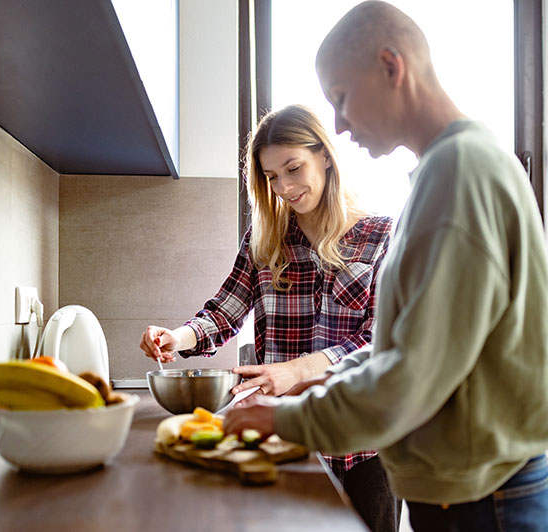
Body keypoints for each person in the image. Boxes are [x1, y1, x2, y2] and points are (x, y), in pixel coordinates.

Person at [223, 2, 548, 531]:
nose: (338, 124)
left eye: (340, 98)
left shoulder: (459, 176)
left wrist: (288, 418)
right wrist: (309, 382)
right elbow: (400, 350)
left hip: (482, 500)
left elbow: (412, 378)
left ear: (392, 66)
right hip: (468, 490)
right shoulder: (445, 171)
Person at [139, 104, 400, 532]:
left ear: (326, 156)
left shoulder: (382, 236)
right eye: (272, 177)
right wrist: (178, 337)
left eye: (294, 168)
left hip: (363, 449)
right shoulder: (265, 240)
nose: (284, 187)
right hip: (282, 444)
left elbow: (382, 340)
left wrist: (299, 370)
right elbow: (223, 311)